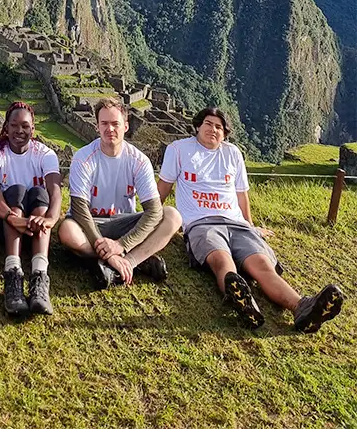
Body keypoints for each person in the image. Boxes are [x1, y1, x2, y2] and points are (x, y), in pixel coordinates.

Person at [158, 106, 344, 332]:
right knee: (220, 259)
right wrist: (153, 218)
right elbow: (164, 187)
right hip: (202, 223)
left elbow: (241, 194)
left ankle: (301, 307)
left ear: (225, 133)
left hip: (236, 224)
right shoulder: (179, 150)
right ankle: (243, 301)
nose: (213, 129)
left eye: (219, 127)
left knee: (263, 266)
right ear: (197, 126)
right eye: (208, 123)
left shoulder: (232, 153)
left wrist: (250, 225)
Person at [59, 97, 182, 286]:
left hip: (124, 223)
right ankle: (129, 260)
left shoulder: (138, 161)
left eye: (115, 123)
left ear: (125, 126)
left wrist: (121, 245)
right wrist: (110, 252)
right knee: (67, 231)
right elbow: (79, 209)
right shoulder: (83, 158)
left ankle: (128, 262)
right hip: (91, 223)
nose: (110, 129)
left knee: (172, 216)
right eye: (104, 123)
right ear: (97, 126)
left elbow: (155, 210)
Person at [0, 101, 62, 316]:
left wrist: (50, 219)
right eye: (14, 125)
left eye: (25, 126)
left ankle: (39, 276)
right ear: (6, 127)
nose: (19, 131)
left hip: (35, 227)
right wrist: (10, 217)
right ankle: (13, 273)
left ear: (33, 129)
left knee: (39, 192)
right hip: (4, 224)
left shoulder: (45, 154)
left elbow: (55, 190)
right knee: (16, 190)